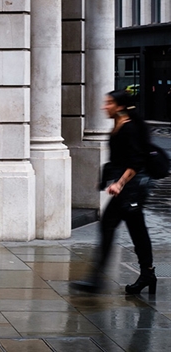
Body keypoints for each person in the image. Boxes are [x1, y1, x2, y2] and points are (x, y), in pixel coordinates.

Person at [73, 90, 156, 294]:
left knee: (114, 228)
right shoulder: (120, 125)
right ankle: (147, 274)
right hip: (128, 191)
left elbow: (136, 161)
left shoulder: (129, 129)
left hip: (130, 190)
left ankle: (97, 280)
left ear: (119, 106)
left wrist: (119, 183)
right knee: (136, 232)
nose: (104, 106)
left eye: (109, 103)